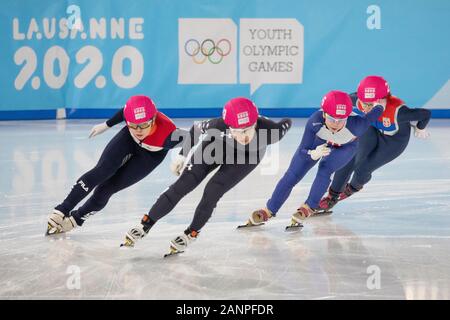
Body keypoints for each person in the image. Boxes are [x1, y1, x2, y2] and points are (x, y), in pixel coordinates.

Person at [121, 97, 292, 255]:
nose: (243, 136)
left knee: (213, 191)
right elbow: (196, 129)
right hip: (215, 146)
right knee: (183, 185)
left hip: (246, 157)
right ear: (228, 125)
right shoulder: (219, 125)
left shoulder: (271, 131)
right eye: (237, 130)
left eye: (248, 129)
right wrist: (182, 155)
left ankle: (191, 233)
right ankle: (145, 224)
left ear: (256, 123)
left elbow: (287, 122)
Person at [46, 95, 187, 235]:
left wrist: (182, 156)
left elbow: (193, 136)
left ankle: (76, 220)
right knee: (101, 171)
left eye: (143, 125)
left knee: (107, 189)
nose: (138, 130)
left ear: (153, 119)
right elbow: (125, 112)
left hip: (151, 155)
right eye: (132, 125)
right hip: (128, 139)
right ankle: (62, 209)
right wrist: (107, 124)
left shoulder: (168, 132)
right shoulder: (132, 121)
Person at [247, 90, 384, 229]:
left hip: (345, 147)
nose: (336, 124)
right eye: (332, 118)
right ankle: (269, 210)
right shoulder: (314, 122)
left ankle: (309, 207)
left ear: (347, 117)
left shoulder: (358, 124)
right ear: (324, 114)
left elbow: (377, 110)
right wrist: (312, 154)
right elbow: (302, 151)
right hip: (319, 141)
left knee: (325, 169)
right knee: (292, 174)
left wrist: (380, 104)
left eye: (341, 120)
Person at [319, 76, 431, 210]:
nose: (366, 108)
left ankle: (352, 188)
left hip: (394, 140)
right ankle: (332, 196)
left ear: (384, 100)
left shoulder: (398, 111)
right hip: (372, 129)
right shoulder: (354, 100)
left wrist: (420, 128)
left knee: (363, 169)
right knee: (350, 157)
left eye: (371, 104)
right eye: (363, 102)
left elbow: (425, 114)